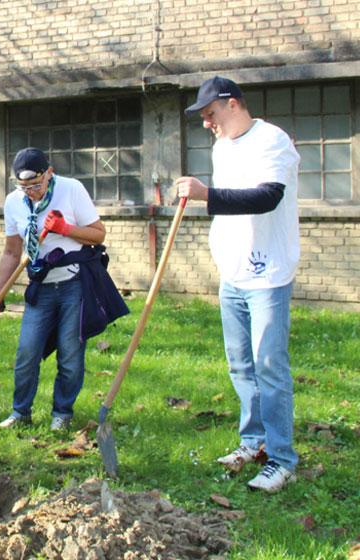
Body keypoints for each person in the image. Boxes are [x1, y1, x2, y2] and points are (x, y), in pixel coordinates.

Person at [176, 76, 300, 492]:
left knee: (269, 365)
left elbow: (267, 196)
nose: (207, 123)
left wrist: (205, 194)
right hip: (233, 272)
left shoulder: (273, 141)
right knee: (241, 364)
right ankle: (254, 441)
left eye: (210, 114)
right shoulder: (222, 146)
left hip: (268, 273)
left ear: (231, 104)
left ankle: (282, 459)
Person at [0, 147, 108, 432]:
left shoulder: (71, 190)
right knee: (27, 351)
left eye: (35, 185)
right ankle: (20, 413)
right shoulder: (13, 202)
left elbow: (98, 233)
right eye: (23, 187)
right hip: (40, 287)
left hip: (74, 284)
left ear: (49, 173)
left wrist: (66, 229)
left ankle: (62, 414)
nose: (30, 192)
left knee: (69, 353)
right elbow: (11, 252)